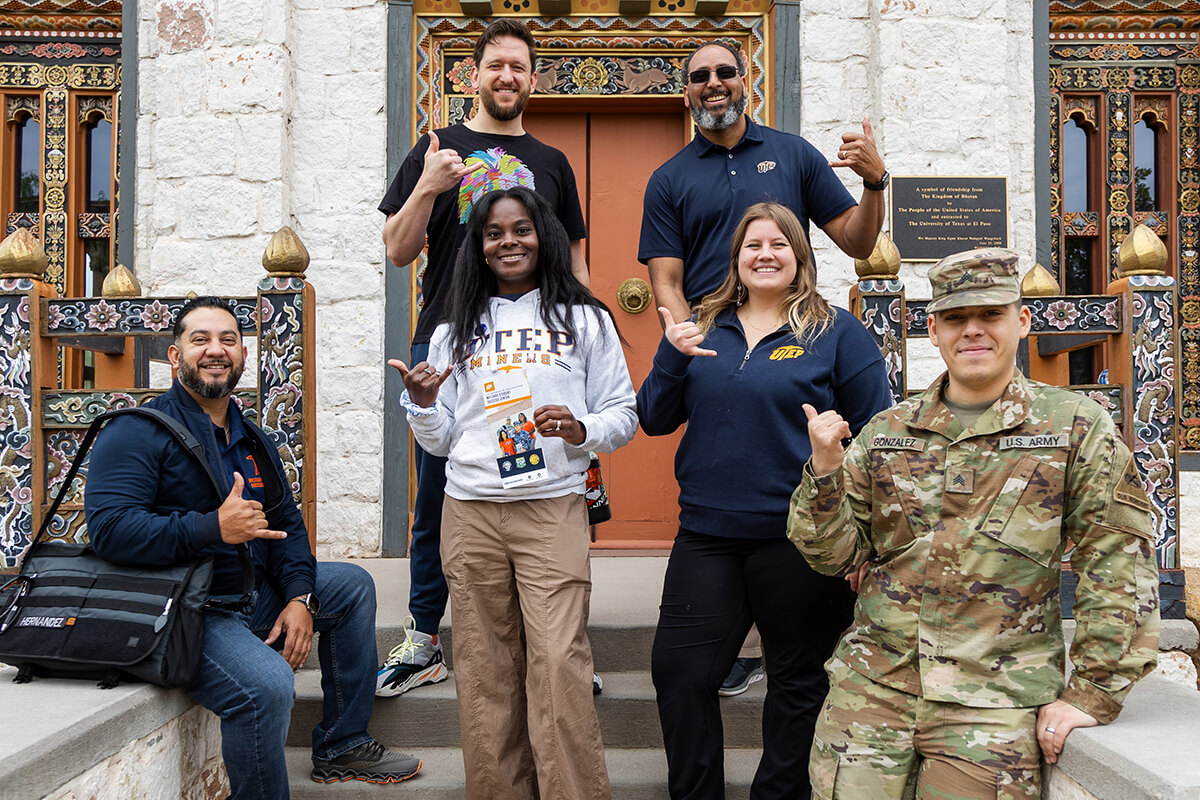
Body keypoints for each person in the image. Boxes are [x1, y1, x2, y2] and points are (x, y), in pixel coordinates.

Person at [790, 248, 1161, 800]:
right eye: (957, 318)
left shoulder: (1074, 429)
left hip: (994, 706)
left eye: (990, 314)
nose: (973, 331)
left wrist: (1092, 692)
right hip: (870, 695)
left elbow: (1117, 566)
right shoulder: (888, 431)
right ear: (934, 330)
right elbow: (833, 557)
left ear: (1023, 320)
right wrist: (823, 473)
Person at [84, 297, 421, 798]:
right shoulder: (136, 432)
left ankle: (341, 744)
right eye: (200, 339)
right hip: (188, 613)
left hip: (252, 595)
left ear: (243, 355)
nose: (215, 350)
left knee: (349, 586)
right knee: (265, 686)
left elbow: (287, 523)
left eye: (227, 340)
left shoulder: (251, 436)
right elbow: (110, 530)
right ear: (175, 357)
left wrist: (299, 598)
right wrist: (210, 529)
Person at [636, 202, 892, 799]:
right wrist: (671, 355)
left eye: (780, 243)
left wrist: (863, 537)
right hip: (708, 534)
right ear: (736, 258)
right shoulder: (702, 325)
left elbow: (880, 436)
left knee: (798, 681)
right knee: (680, 672)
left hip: (802, 538)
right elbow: (652, 418)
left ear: (800, 256)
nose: (766, 254)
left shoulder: (835, 332)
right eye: (754, 245)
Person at [389, 186, 637, 799]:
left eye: (521, 229)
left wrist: (582, 429)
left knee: (557, 665)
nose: (509, 242)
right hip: (470, 512)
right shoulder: (455, 328)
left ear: (542, 235)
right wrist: (422, 404)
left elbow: (623, 413)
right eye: (494, 233)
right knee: (485, 672)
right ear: (478, 245)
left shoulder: (585, 319)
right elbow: (444, 438)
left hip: (551, 507)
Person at [377, 18, 590, 698]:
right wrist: (428, 185)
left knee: (543, 480)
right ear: (473, 75)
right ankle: (423, 635)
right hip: (447, 341)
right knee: (438, 487)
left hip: (534, 345)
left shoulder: (552, 162)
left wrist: (583, 346)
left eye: (518, 66)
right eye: (494, 64)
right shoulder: (437, 150)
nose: (506, 76)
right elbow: (397, 248)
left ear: (533, 78)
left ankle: (550, 648)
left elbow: (575, 263)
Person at [639, 40, 887, 328]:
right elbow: (667, 284)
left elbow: (858, 244)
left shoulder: (795, 154)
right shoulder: (667, 180)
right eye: (700, 77)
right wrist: (694, 355)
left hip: (792, 329)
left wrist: (874, 181)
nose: (714, 83)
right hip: (713, 335)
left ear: (744, 83)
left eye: (725, 72)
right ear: (686, 94)